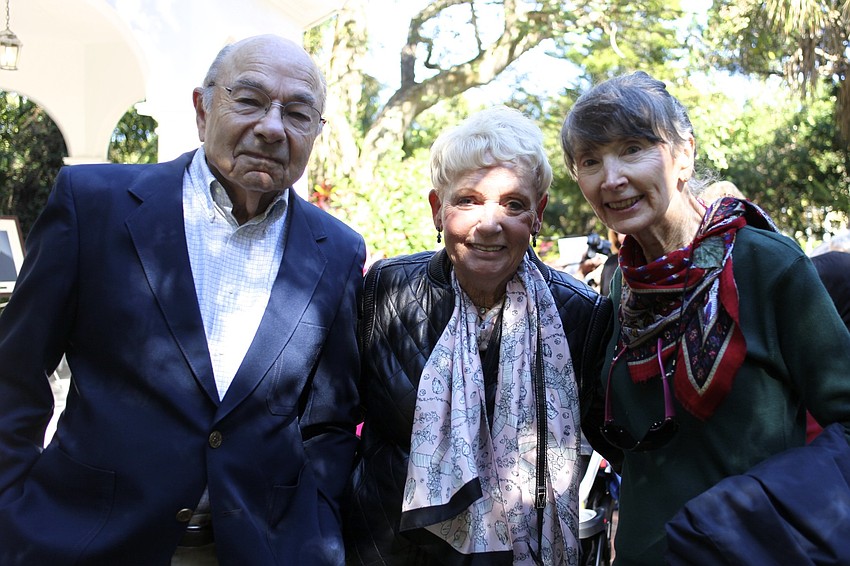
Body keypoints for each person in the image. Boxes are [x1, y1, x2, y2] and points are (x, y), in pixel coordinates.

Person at [0, 34, 365, 565]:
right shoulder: (93, 205)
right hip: (86, 543)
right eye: (249, 100)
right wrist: (10, 509)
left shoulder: (337, 250)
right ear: (202, 109)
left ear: (315, 132)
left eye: (297, 113)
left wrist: (315, 532)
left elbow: (330, 420)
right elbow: (14, 373)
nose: (272, 127)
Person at [559, 71, 850, 565]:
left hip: (749, 552)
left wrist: (747, 510)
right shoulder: (623, 286)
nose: (611, 178)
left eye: (633, 149)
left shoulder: (765, 265)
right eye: (590, 160)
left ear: (684, 155)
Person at [344, 106, 613, 565]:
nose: (489, 224)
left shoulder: (581, 314)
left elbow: (613, 443)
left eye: (513, 204)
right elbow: (337, 423)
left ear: (538, 214)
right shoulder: (386, 288)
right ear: (438, 209)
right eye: (468, 200)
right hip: (388, 552)